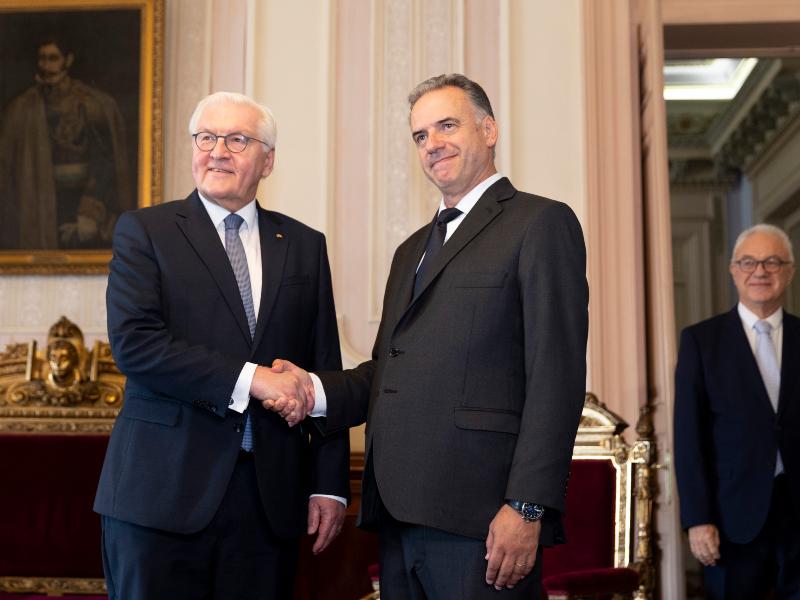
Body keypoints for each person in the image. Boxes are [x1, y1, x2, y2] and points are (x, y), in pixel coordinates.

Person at [271, 73, 588, 598]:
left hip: (483, 518)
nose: (432, 143)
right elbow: (387, 371)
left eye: (447, 125)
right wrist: (312, 388)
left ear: (489, 130)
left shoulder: (541, 223)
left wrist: (527, 506)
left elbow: (557, 377)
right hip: (398, 514)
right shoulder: (411, 250)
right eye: (420, 135)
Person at [93, 91, 349, 600]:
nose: (217, 151)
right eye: (206, 138)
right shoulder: (145, 231)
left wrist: (328, 482)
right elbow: (136, 346)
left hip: (267, 502)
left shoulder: (303, 245)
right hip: (160, 496)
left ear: (268, 159)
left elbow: (324, 371)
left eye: (237, 139)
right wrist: (254, 378)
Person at [674, 224, 800, 599]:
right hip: (731, 518)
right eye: (748, 262)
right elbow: (688, 437)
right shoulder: (701, 341)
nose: (760, 271)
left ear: (789, 272)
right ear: (733, 271)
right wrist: (698, 519)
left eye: (772, 262)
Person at [0, 35, 132, 249]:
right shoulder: (22, 108)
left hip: (84, 200)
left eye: (53, 58)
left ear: (67, 60)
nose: (46, 66)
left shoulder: (92, 104)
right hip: (40, 199)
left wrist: (89, 210)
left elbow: (104, 162)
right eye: (42, 58)